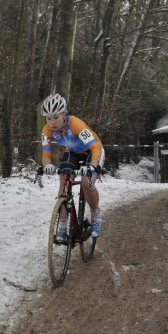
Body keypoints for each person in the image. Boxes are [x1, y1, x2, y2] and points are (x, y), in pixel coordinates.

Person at [40, 93, 104, 240]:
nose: (52, 122)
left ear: (64, 114)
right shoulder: (47, 130)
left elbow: (95, 147)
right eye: (48, 118)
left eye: (56, 117)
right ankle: (62, 225)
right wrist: (47, 164)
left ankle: (95, 215)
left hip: (93, 151)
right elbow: (45, 154)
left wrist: (93, 166)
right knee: (63, 180)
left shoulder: (75, 123)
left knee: (86, 182)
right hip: (73, 152)